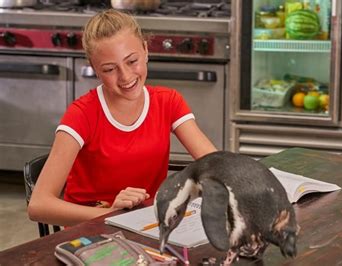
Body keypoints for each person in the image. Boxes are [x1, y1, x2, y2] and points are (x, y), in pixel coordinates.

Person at [27, 9, 217, 226]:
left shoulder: (168, 101)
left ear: (145, 50)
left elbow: (218, 165)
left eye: (132, 61)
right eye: (109, 69)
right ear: (95, 69)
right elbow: (38, 205)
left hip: (146, 226)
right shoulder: (82, 115)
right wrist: (111, 214)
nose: (126, 77)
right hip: (91, 231)